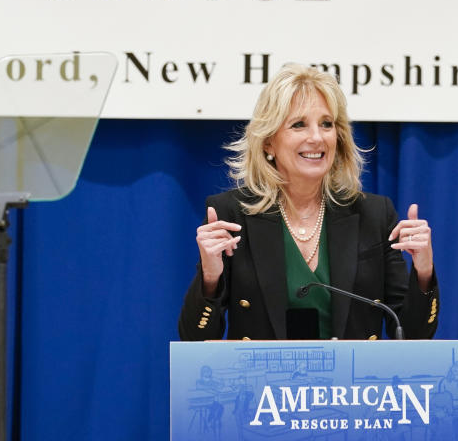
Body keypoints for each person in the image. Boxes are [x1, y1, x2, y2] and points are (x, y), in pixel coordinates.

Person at [178, 64, 438, 341]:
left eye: (326, 124)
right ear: (268, 142)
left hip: (350, 383)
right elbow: (195, 339)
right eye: (299, 124)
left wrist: (423, 270)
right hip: (262, 383)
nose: (316, 137)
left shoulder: (373, 215)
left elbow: (413, 335)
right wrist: (210, 277)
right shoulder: (231, 215)